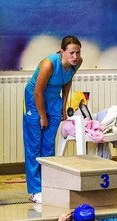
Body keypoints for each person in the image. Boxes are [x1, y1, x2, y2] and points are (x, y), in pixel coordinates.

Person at [23, 36, 82, 204]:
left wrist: (64, 107)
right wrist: (42, 116)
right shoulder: (49, 64)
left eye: (78, 52)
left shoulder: (77, 62)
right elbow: (37, 92)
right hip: (34, 101)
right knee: (34, 145)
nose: (75, 56)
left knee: (48, 145)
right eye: (71, 53)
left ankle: (48, 185)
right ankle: (35, 190)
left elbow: (67, 82)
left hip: (54, 100)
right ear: (62, 52)